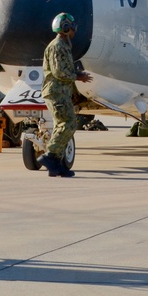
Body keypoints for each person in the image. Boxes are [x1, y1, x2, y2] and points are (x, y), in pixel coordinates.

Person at [37, 12, 92, 177]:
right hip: (56, 91)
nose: (74, 31)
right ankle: (50, 156)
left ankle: (56, 165)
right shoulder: (58, 46)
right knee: (68, 123)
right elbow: (60, 72)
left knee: (62, 124)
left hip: (61, 91)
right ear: (66, 28)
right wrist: (78, 76)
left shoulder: (63, 45)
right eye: (72, 27)